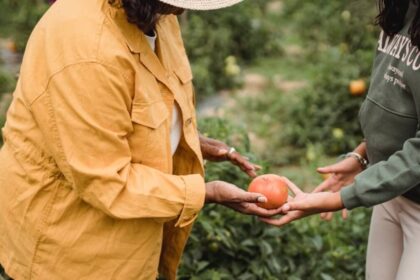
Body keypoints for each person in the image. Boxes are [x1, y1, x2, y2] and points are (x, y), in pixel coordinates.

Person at [0, 0, 280, 279]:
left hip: (132, 246)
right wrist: (207, 192)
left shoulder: (158, 16)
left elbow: (141, 106)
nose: (184, 8)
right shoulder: (86, 46)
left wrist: (189, 139)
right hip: (70, 253)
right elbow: (105, 180)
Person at [262, 1, 420, 279]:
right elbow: (397, 104)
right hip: (391, 192)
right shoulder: (402, 8)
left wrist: (341, 199)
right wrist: (363, 155)